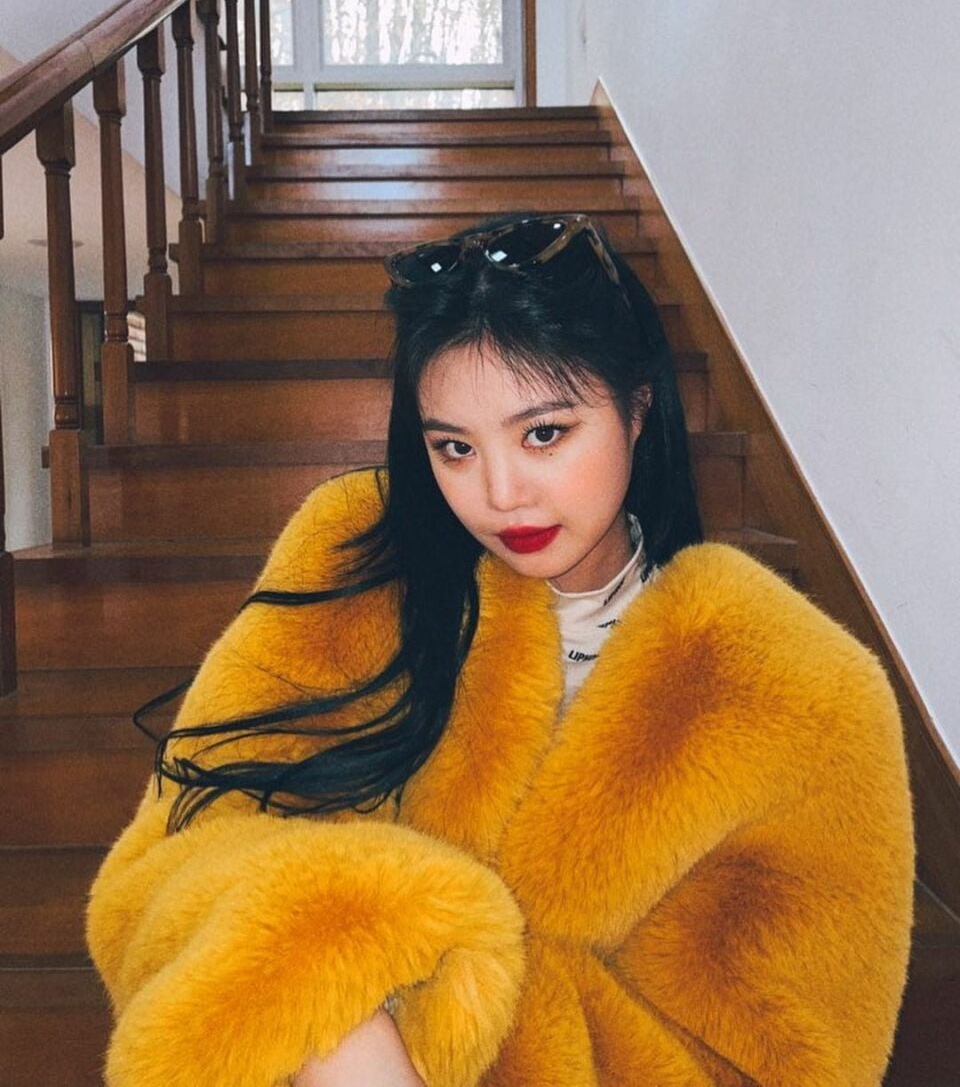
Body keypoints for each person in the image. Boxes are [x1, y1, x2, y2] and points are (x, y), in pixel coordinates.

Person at [86, 211, 915, 1087]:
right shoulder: (359, 565)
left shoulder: (795, 686)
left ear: (637, 407)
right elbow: (161, 871)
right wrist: (352, 968)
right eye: (453, 447)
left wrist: (445, 980)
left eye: (544, 433)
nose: (500, 493)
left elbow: (801, 1060)